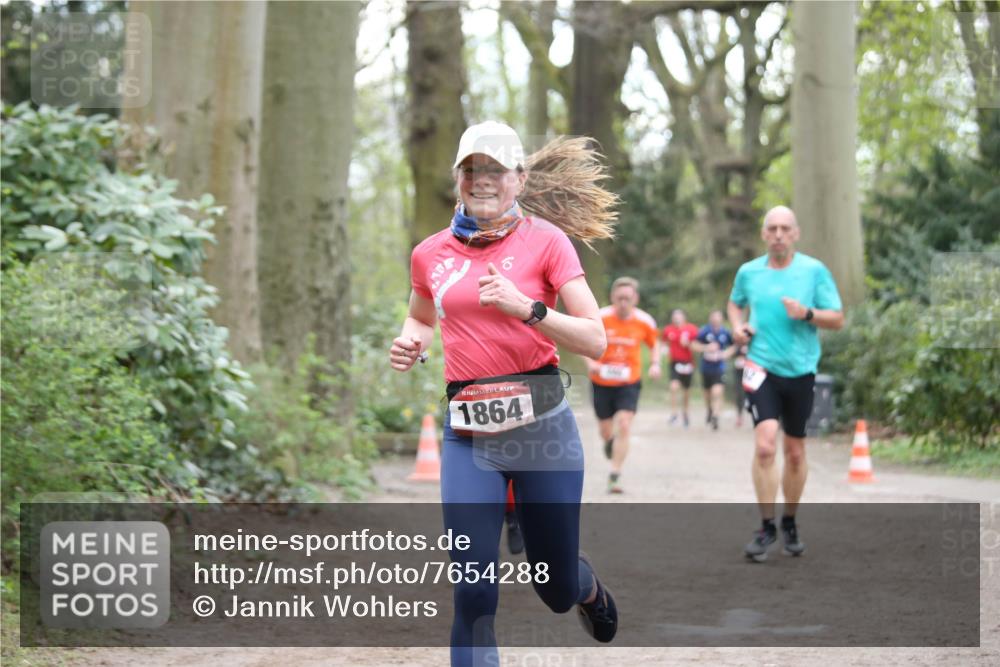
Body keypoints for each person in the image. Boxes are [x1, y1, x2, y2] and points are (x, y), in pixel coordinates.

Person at [390, 121, 619, 665]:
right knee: (472, 588)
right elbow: (421, 316)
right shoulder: (430, 254)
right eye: (471, 169)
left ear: (518, 178)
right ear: (457, 179)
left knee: (554, 588)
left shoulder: (547, 241)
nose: (482, 179)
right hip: (469, 434)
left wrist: (529, 309)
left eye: (495, 169)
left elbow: (597, 340)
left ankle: (584, 588)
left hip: (542, 429)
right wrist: (411, 341)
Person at [727, 205, 844, 562]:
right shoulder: (749, 272)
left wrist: (807, 314)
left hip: (800, 370)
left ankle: (789, 520)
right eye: (772, 228)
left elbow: (837, 318)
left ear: (796, 233)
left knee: (794, 452)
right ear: (764, 234)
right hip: (761, 366)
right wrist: (738, 327)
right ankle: (766, 527)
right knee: (765, 446)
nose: (778, 234)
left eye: (785, 228)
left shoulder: (813, 271)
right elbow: (735, 305)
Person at [585, 276, 661, 494]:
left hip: (629, 381)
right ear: (612, 298)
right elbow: (584, 343)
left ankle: (615, 474)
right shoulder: (600, 317)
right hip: (601, 381)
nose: (623, 303)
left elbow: (654, 345)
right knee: (606, 430)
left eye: (627, 298)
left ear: (635, 298)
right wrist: (592, 364)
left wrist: (655, 364)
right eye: (619, 298)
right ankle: (610, 442)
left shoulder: (645, 321)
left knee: (625, 424)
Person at [690, 310, 734, 431]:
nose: (716, 319)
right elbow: (693, 344)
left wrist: (726, 353)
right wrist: (706, 347)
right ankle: (709, 409)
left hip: (719, 368)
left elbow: (733, 346)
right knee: (707, 394)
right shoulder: (704, 331)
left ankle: (715, 416)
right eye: (714, 317)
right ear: (710, 318)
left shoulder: (725, 332)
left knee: (717, 392)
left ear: (722, 319)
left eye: (718, 317)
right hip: (706, 368)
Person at [660, 309, 699, 427]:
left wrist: (688, 344)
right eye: (674, 316)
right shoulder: (668, 330)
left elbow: (698, 346)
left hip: (688, 363)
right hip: (675, 363)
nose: (677, 318)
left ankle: (685, 412)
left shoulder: (691, 329)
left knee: (686, 391)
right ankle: (674, 413)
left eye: (679, 316)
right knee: (673, 387)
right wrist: (663, 351)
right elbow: (663, 343)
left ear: (684, 317)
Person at [730, 342, 750, 428]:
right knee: (739, 394)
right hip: (738, 373)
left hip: (750, 372)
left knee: (750, 394)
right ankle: (739, 416)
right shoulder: (736, 344)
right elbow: (730, 354)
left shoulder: (752, 343)